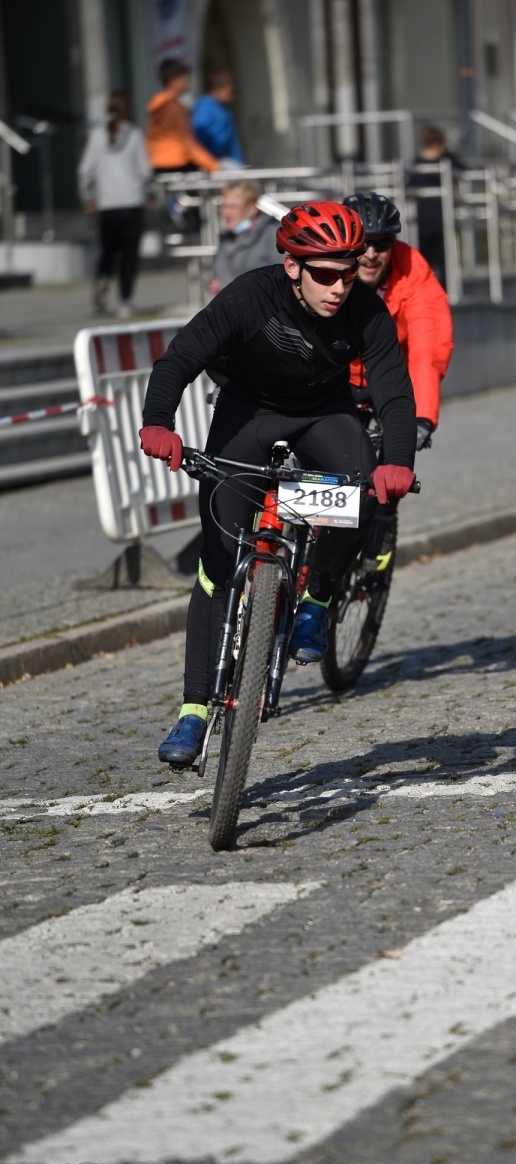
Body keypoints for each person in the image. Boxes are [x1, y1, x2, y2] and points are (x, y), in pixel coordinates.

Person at [139, 201, 417, 766]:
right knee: (218, 563)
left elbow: (393, 389)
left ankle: (317, 598)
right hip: (249, 411)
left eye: (347, 273)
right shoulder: (250, 296)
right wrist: (158, 423)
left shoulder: (363, 307)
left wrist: (399, 461)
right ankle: (194, 711)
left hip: (323, 413)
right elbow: (179, 360)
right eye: (325, 275)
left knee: (362, 493)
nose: (339, 287)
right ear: (292, 266)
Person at [344, 191, 453, 449]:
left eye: (382, 243)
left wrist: (422, 418)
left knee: (395, 458)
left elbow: (428, 345)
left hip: (388, 375)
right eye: (363, 243)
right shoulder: (327, 270)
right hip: (337, 376)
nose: (371, 254)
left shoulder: (412, 269)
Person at [77, 91, 152, 318]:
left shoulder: (97, 136)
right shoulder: (135, 134)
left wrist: (88, 197)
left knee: (108, 251)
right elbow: (145, 171)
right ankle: (125, 302)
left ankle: (102, 281)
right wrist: (150, 192)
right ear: (128, 109)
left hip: (107, 205)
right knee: (129, 255)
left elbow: (84, 170)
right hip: (132, 202)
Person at [207, 181, 282, 296]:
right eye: (224, 206)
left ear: (252, 208)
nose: (226, 212)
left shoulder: (274, 234)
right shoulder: (226, 237)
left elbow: (281, 279)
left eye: (233, 207)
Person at [409, 126, 464, 283]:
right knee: (431, 267)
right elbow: (462, 168)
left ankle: (440, 293)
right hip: (434, 222)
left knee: (435, 267)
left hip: (431, 222)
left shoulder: (416, 165)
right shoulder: (446, 161)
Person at [191, 68, 244, 167]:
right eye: (229, 91)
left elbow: (232, 142)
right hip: (208, 162)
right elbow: (199, 134)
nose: (231, 96)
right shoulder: (205, 108)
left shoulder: (224, 109)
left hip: (222, 159)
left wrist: (238, 162)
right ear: (216, 89)